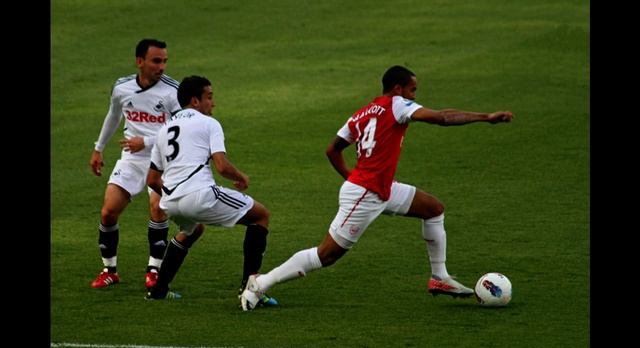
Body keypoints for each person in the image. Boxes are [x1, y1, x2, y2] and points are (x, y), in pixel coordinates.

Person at [240, 65, 513, 310]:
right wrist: (485, 117)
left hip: (378, 188)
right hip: (366, 193)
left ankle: (440, 278)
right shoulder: (397, 104)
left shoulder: (361, 113)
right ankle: (260, 284)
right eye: (412, 90)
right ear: (398, 89)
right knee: (326, 254)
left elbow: (332, 149)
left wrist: (350, 175)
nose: (414, 97)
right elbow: (441, 117)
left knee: (433, 209)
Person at [144, 75, 277, 306]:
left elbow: (152, 179)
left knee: (192, 230)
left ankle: (159, 290)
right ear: (195, 101)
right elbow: (222, 166)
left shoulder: (163, 130)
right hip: (199, 195)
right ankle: (250, 290)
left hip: (171, 202)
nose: (212, 103)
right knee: (261, 216)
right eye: (209, 97)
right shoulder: (209, 123)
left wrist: (172, 193)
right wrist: (241, 177)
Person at [89, 39, 181, 290]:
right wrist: (98, 148)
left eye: (164, 61)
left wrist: (148, 141)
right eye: (156, 61)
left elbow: (179, 128)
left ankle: (154, 270)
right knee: (108, 211)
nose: (161, 66)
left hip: (162, 160)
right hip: (132, 158)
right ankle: (110, 270)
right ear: (140, 61)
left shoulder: (173, 91)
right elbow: (114, 115)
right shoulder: (122, 87)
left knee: (157, 208)